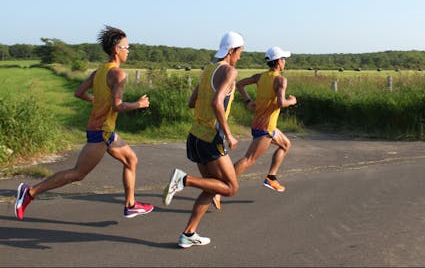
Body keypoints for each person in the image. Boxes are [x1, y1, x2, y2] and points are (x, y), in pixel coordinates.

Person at [15, 25, 154, 220]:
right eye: (126, 47)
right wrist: (138, 104)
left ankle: (131, 205)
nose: (128, 51)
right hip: (101, 132)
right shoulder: (118, 74)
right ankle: (30, 192)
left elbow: (79, 93)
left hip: (106, 131)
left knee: (131, 160)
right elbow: (117, 106)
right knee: (78, 173)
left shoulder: (99, 71)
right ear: (117, 50)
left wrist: (97, 101)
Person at [162, 31, 244, 248]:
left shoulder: (207, 70)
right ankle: (183, 180)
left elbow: (192, 101)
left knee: (212, 188)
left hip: (195, 136)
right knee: (231, 188)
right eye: (240, 52)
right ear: (232, 51)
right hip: (210, 138)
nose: (240, 57)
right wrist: (229, 134)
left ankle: (188, 234)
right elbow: (218, 102)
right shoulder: (229, 71)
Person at [233, 46, 297, 192]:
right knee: (248, 160)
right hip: (265, 127)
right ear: (279, 61)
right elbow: (281, 103)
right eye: (284, 59)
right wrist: (292, 101)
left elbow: (240, 84)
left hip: (264, 124)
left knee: (285, 145)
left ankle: (271, 178)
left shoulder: (260, 77)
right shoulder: (280, 80)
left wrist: (248, 101)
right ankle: (219, 188)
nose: (285, 62)